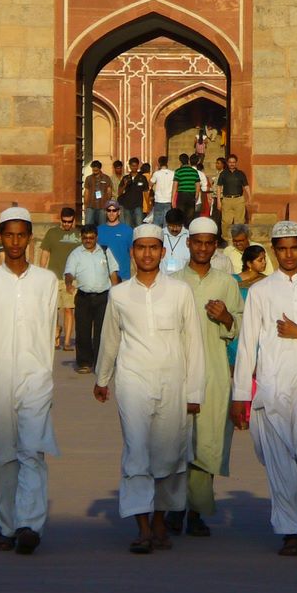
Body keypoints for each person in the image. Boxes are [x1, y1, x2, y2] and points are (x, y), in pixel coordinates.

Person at [94, 223, 205, 554]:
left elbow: (193, 343)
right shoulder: (119, 294)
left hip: (173, 381)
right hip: (133, 380)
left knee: (169, 453)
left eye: (153, 247)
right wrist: (102, 378)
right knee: (137, 450)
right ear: (132, 252)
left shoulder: (180, 292)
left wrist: (194, 393)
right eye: (141, 247)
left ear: (163, 251)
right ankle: (142, 525)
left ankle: (160, 518)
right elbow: (110, 339)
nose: (147, 253)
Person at [0, 207, 59, 555]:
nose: (15, 242)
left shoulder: (46, 281)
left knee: (32, 451)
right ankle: (6, 526)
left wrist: (46, 378)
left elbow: (48, 332)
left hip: (35, 379)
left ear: (30, 237)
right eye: (9, 235)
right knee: (4, 456)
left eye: (21, 235)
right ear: (0, 238)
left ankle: (29, 525)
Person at [230, 221, 297, 556]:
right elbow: (248, 344)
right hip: (271, 387)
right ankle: (290, 531)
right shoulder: (260, 291)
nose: (288, 255)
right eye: (282, 249)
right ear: (274, 250)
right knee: (278, 464)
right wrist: (240, 395)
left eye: (294, 248)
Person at [167, 217, 242, 537]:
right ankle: (174, 508)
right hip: (178, 371)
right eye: (197, 242)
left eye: (208, 243)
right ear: (188, 243)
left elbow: (240, 326)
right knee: (175, 442)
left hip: (213, 371)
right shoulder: (172, 282)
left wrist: (225, 317)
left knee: (207, 442)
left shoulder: (227, 283)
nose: (202, 248)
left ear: (215, 246)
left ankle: (196, 511)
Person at [64, 224, 119, 374]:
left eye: (91, 238)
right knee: (83, 331)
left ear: (96, 237)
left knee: (102, 332)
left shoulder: (105, 251)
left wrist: (116, 291)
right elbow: (69, 272)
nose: (88, 240)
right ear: (81, 238)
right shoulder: (75, 254)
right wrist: (69, 283)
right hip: (83, 297)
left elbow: (113, 272)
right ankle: (84, 363)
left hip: (103, 297)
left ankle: (100, 363)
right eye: (85, 238)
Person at [40, 207, 80, 351]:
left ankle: (67, 341)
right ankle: (56, 332)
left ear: (73, 220)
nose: (67, 224)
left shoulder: (78, 235)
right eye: (64, 221)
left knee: (69, 309)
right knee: (53, 310)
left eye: (69, 222)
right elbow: (45, 253)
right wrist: (42, 273)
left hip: (71, 279)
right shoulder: (52, 233)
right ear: (60, 219)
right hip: (54, 277)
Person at [227, 244, 268, 369]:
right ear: (249, 263)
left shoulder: (266, 281)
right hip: (238, 327)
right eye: (260, 260)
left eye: (264, 259)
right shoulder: (232, 281)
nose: (264, 262)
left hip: (258, 327)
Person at [97, 200, 134, 282]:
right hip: (103, 277)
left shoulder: (128, 230)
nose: (111, 213)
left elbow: (133, 254)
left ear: (119, 212)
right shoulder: (98, 230)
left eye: (114, 210)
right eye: (109, 210)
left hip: (123, 276)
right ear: (105, 212)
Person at [216, 154, 251, 232]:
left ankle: (238, 238)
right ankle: (226, 238)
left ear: (236, 163)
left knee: (239, 222)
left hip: (239, 200)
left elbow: (246, 186)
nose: (232, 164)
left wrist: (249, 197)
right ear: (227, 163)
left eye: (233, 162)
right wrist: (218, 201)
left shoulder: (241, 174)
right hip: (227, 200)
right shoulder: (223, 174)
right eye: (230, 162)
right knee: (226, 222)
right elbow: (219, 187)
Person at [117, 158, 148, 228]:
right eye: (133, 166)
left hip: (138, 205)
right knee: (128, 227)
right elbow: (119, 192)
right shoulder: (125, 178)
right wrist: (125, 184)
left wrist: (148, 206)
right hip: (127, 206)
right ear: (130, 166)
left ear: (138, 166)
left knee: (139, 226)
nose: (134, 167)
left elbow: (146, 192)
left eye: (136, 166)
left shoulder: (142, 178)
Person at [171, 153, 200, 227]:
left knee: (181, 215)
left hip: (182, 195)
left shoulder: (178, 171)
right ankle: (188, 230)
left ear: (180, 161)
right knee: (190, 216)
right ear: (188, 161)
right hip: (191, 195)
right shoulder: (194, 171)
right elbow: (197, 185)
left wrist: (173, 199)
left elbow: (175, 186)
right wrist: (196, 196)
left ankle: (182, 230)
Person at [160, 208, 189, 274]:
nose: (175, 229)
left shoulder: (189, 237)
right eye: (171, 226)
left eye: (178, 226)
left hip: (182, 278)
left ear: (182, 224)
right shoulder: (160, 235)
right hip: (164, 277)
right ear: (167, 223)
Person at [84, 160, 113, 226]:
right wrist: (85, 206)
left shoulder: (106, 178)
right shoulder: (88, 178)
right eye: (93, 168)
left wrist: (107, 204)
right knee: (88, 226)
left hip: (102, 206)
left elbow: (109, 192)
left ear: (99, 168)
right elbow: (86, 193)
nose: (94, 169)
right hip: (90, 206)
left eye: (96, 168)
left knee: (102, 226)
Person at [150, 156, 174, 228]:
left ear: (159, 163)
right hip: (168, 200)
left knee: (157, 223)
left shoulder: (156, 173)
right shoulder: (173, 173)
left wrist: (154, 171)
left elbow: (150, 184)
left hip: (158, 200)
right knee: (167, 223)